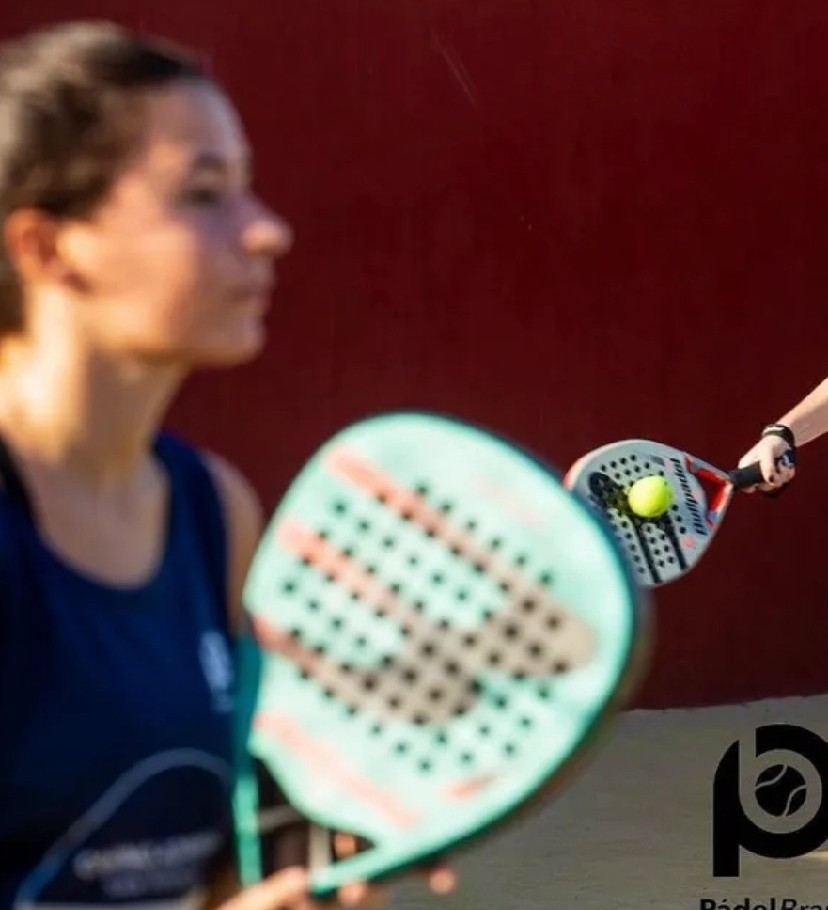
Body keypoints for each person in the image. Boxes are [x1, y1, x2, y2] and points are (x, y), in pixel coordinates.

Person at [0, 20, 455, 910]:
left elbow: (205, 867)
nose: (267, 231)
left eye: (247, 189)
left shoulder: (214, 513)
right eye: (204, 194)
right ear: (47, 248)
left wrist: (297, 870)